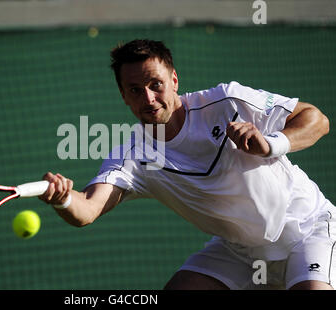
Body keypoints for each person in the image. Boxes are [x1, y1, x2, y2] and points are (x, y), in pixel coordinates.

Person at [38, 39, 333, 290]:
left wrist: (271, 144)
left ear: (174, 80)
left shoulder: (227, 102)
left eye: (156, 85)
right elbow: (88, 208)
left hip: (308, 228)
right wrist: (64, 199)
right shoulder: (132, 154)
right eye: (135, 90)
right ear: (124, 96)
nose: (149, 98)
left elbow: (317, 120)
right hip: (240, 250)